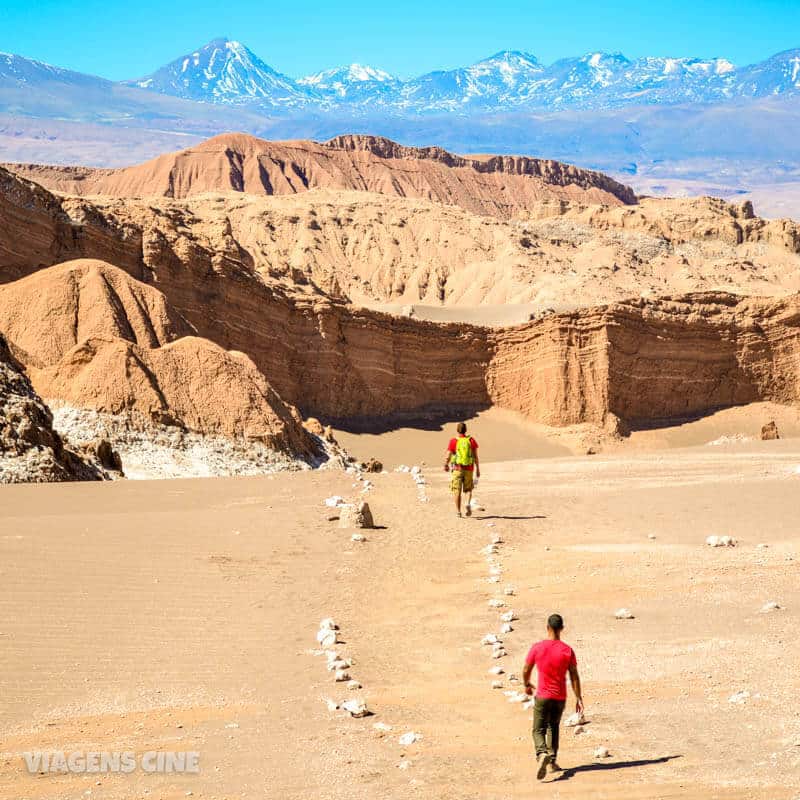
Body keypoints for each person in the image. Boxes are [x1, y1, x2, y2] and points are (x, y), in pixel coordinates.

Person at [522, 613, 584, 780]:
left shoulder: (537, 647)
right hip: (559, 697)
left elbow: (527, 669)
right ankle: (552, 762)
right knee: (553, 727)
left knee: (538, 729)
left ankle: (542, 753)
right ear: (562, 629)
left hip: (542, 696)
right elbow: (574, 676)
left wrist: (527, 684)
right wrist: (578, 698)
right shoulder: (567, 650)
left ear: (547, 627)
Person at [443, 422, 480, 518]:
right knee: (468, 489)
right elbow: (475, 456)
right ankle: (467, 503)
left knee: (457, 490)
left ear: (457, 430)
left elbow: (448, 455)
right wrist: (478, 469)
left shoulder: (453, 441)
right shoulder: (471, 440)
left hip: (457, 469)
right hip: (469, 468)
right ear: (465, 430)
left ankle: (458, 512)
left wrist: (446, 464)